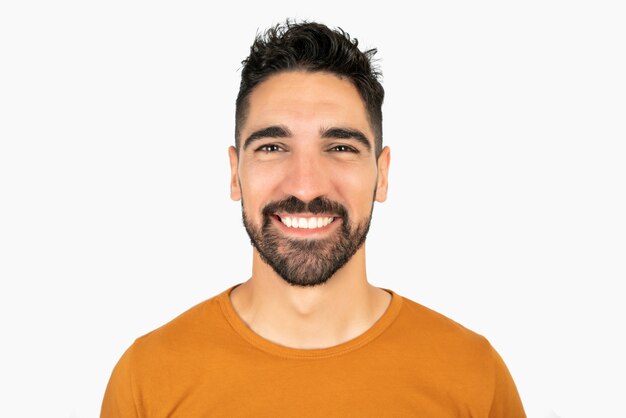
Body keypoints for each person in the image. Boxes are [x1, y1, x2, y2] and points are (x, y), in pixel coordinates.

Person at [101, 20, 526, 417]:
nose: (305, 187)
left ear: (382, 175)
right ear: (235, 174)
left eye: (341, 147)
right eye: (272, 147)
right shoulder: (148, 378)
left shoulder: (473, 376)